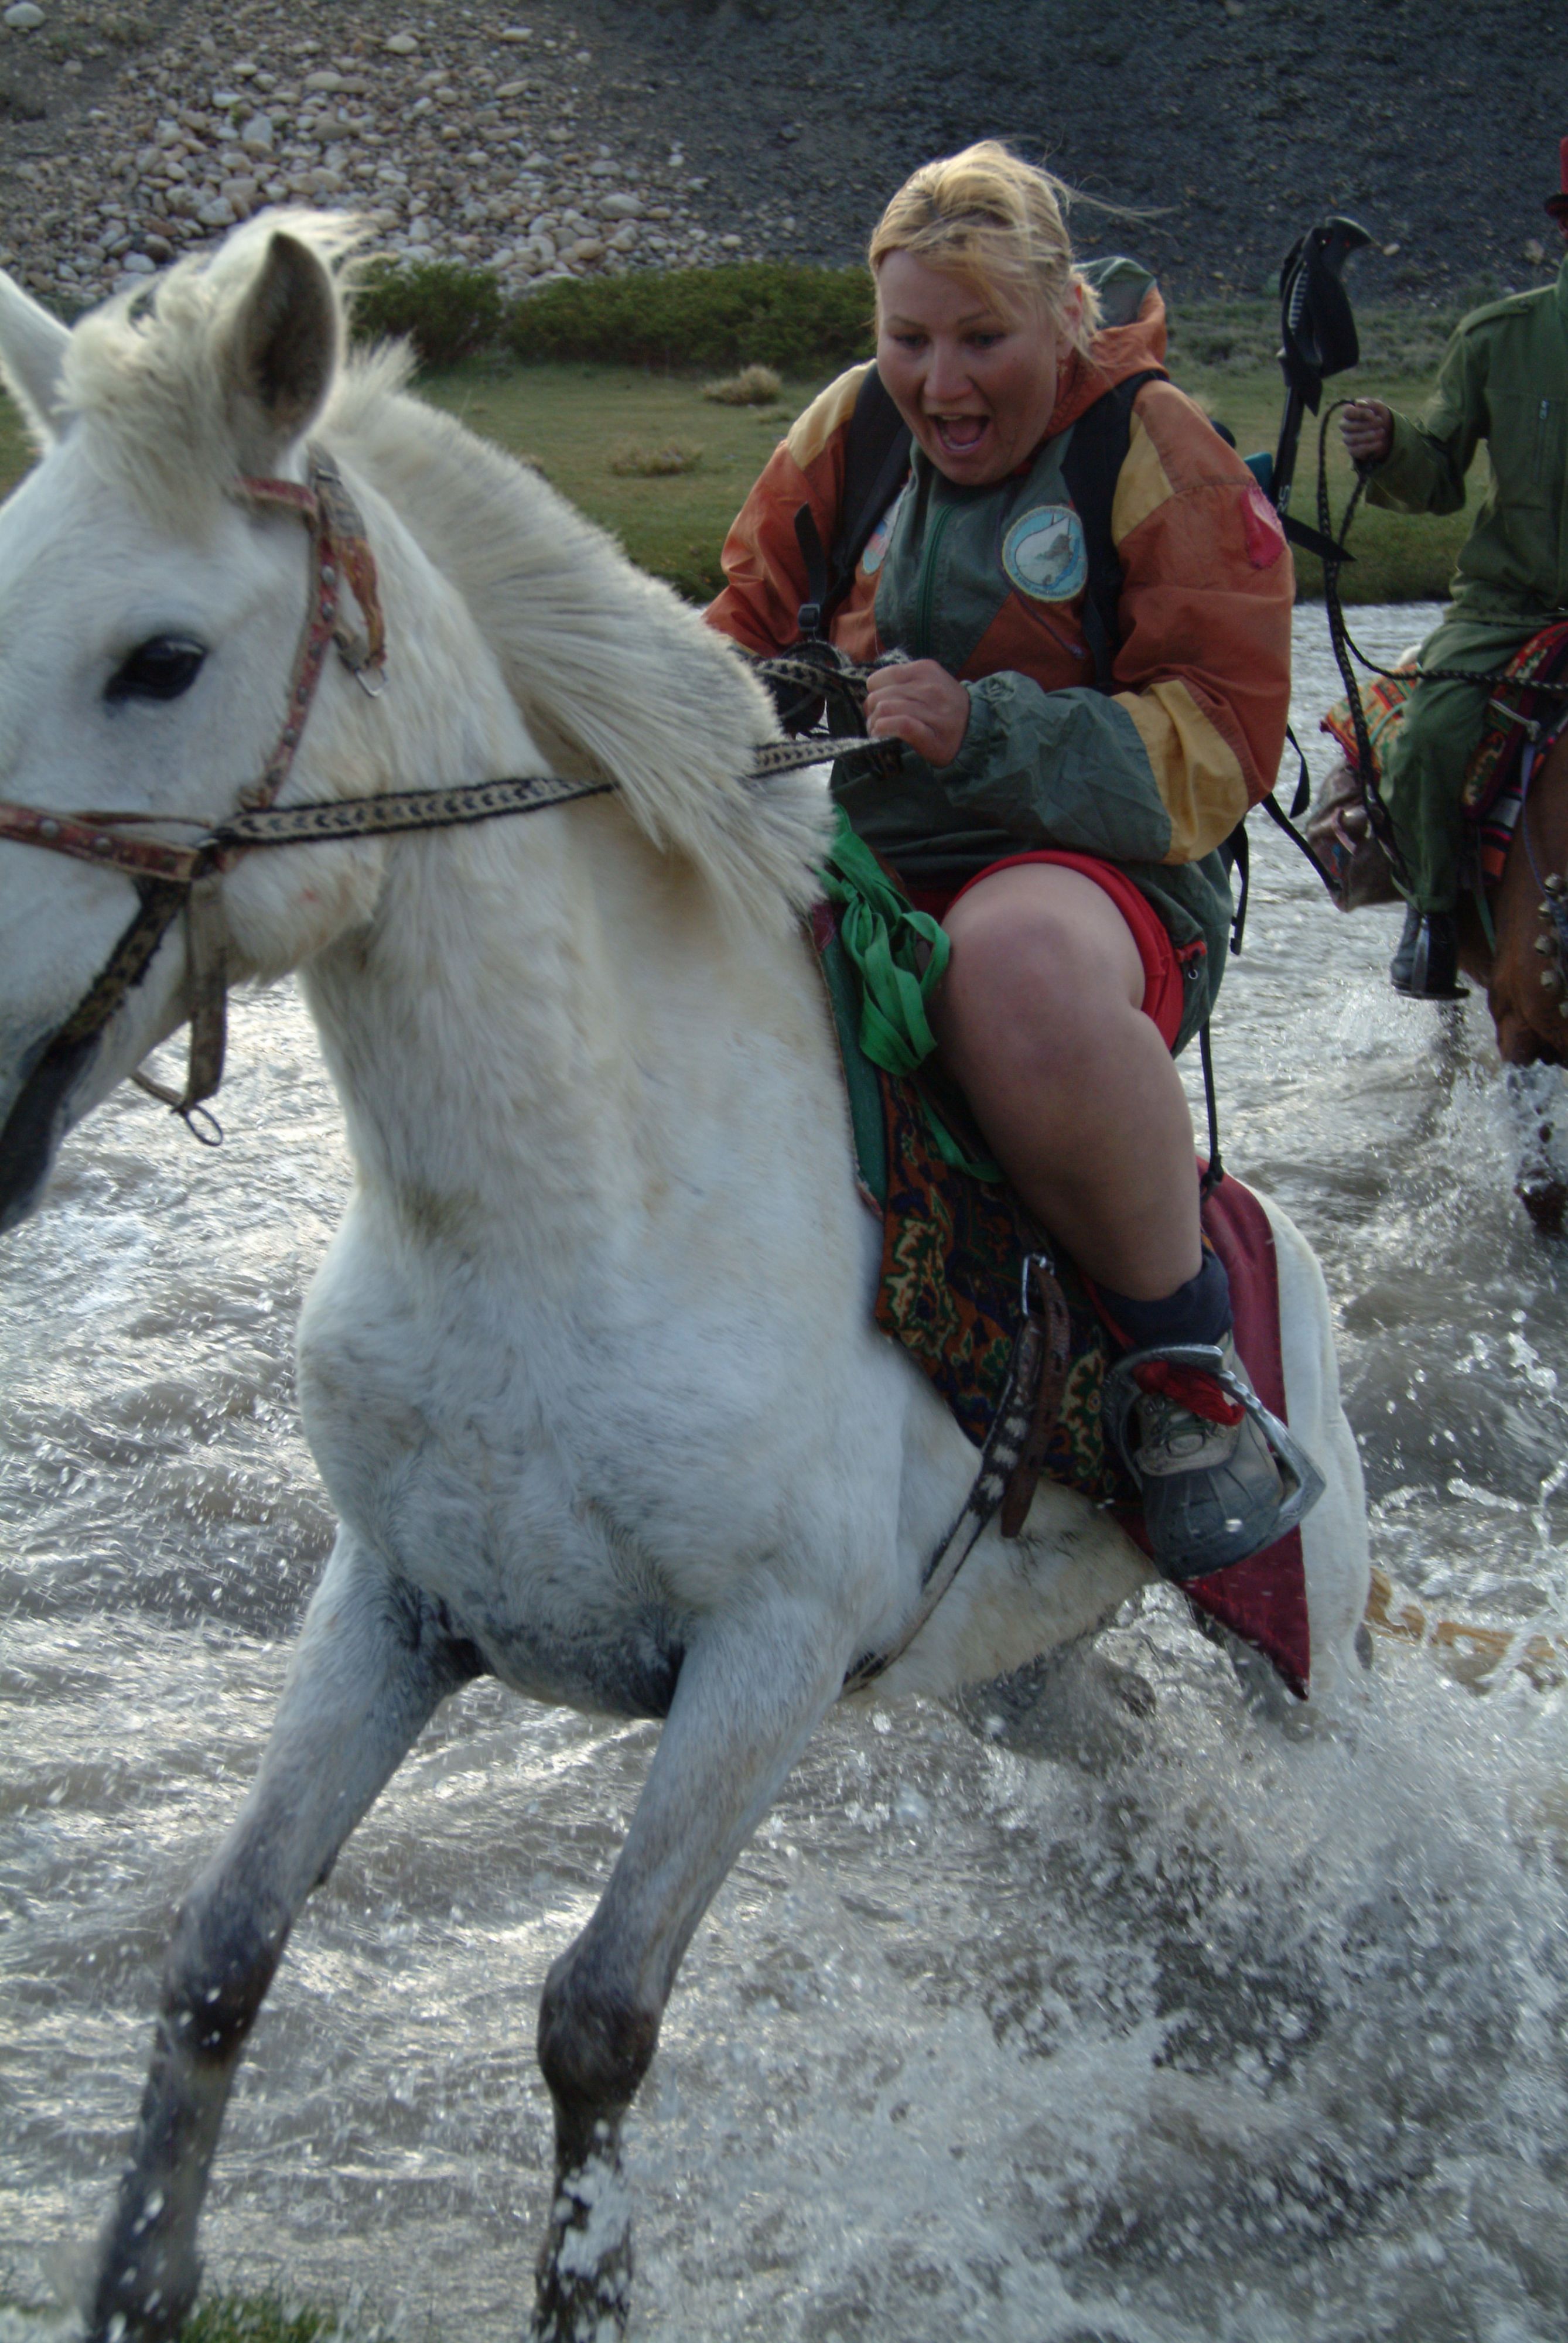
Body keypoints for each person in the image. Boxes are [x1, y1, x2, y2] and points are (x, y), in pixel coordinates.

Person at [706, 142, 1305, 1582]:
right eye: (909, 339)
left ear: (1062, 322)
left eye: (983, 339)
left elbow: (1222, 742)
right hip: (855, 857)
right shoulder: (845, 433)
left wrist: (985, 730)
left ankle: (1180, 1370)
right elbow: (734, 629)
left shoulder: (1148, 445)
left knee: (1005, 968)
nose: (943, 382)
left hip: (1096, 879)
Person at [1340, 139, 1568, 999]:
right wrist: (1391, 443)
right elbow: (1435, 476)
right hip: (1508, 607)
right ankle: (1432, 918)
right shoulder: (1498, 338)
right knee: (1431, 738)